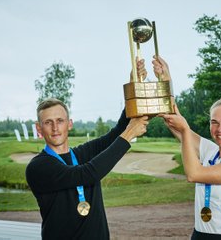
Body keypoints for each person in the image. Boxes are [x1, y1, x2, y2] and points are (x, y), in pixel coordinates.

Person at [26, 60, 149, 239]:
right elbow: (88, 174)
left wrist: (133, 88)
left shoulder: (81, 154)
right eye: (48, 122)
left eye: (60, 121)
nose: (55, 128)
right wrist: (129, 134)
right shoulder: (38, 167)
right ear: (39, 129)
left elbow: (117, 132)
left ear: (69, 124)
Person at [153, 57, 221, 240]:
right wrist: (165, 81)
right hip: (199, 235)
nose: (220, 129)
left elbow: (194, 174)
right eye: (214, 122)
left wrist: (185, 130)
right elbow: (177, 125)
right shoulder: (211, 152)